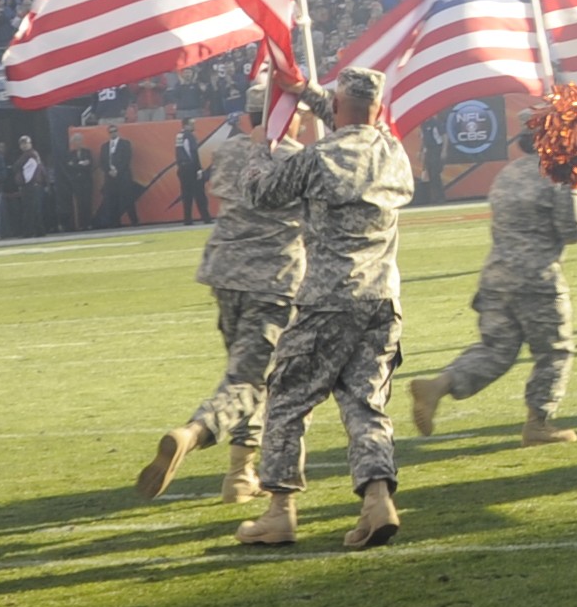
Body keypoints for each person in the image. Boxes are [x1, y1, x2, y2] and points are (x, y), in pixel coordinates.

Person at [234, 66, 415, 549]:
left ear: (338, 106)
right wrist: (307, 93)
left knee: (288, 400)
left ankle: (280, 511)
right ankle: (378, 501)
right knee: (366, 404)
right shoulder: (393, 152)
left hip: (328, 301)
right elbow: (353, 120)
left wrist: (261, 143)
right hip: (382, 301)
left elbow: (258, 192)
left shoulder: (318, 158)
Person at [141, 88, 303, 503]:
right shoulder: (296, 158)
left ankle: (240, 476)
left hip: (225, 272)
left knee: (248, 376)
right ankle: (193, 433)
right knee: (251, 380)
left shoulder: (230, 151)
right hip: (273, 281)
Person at [408, 91, 577, 448]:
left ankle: (439, 385)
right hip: (537, 279)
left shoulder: (507, 175)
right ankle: (539, 423)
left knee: (496, 349)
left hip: (495, 278)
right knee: (555, 351)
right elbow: (573, 230)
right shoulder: (560, 176)